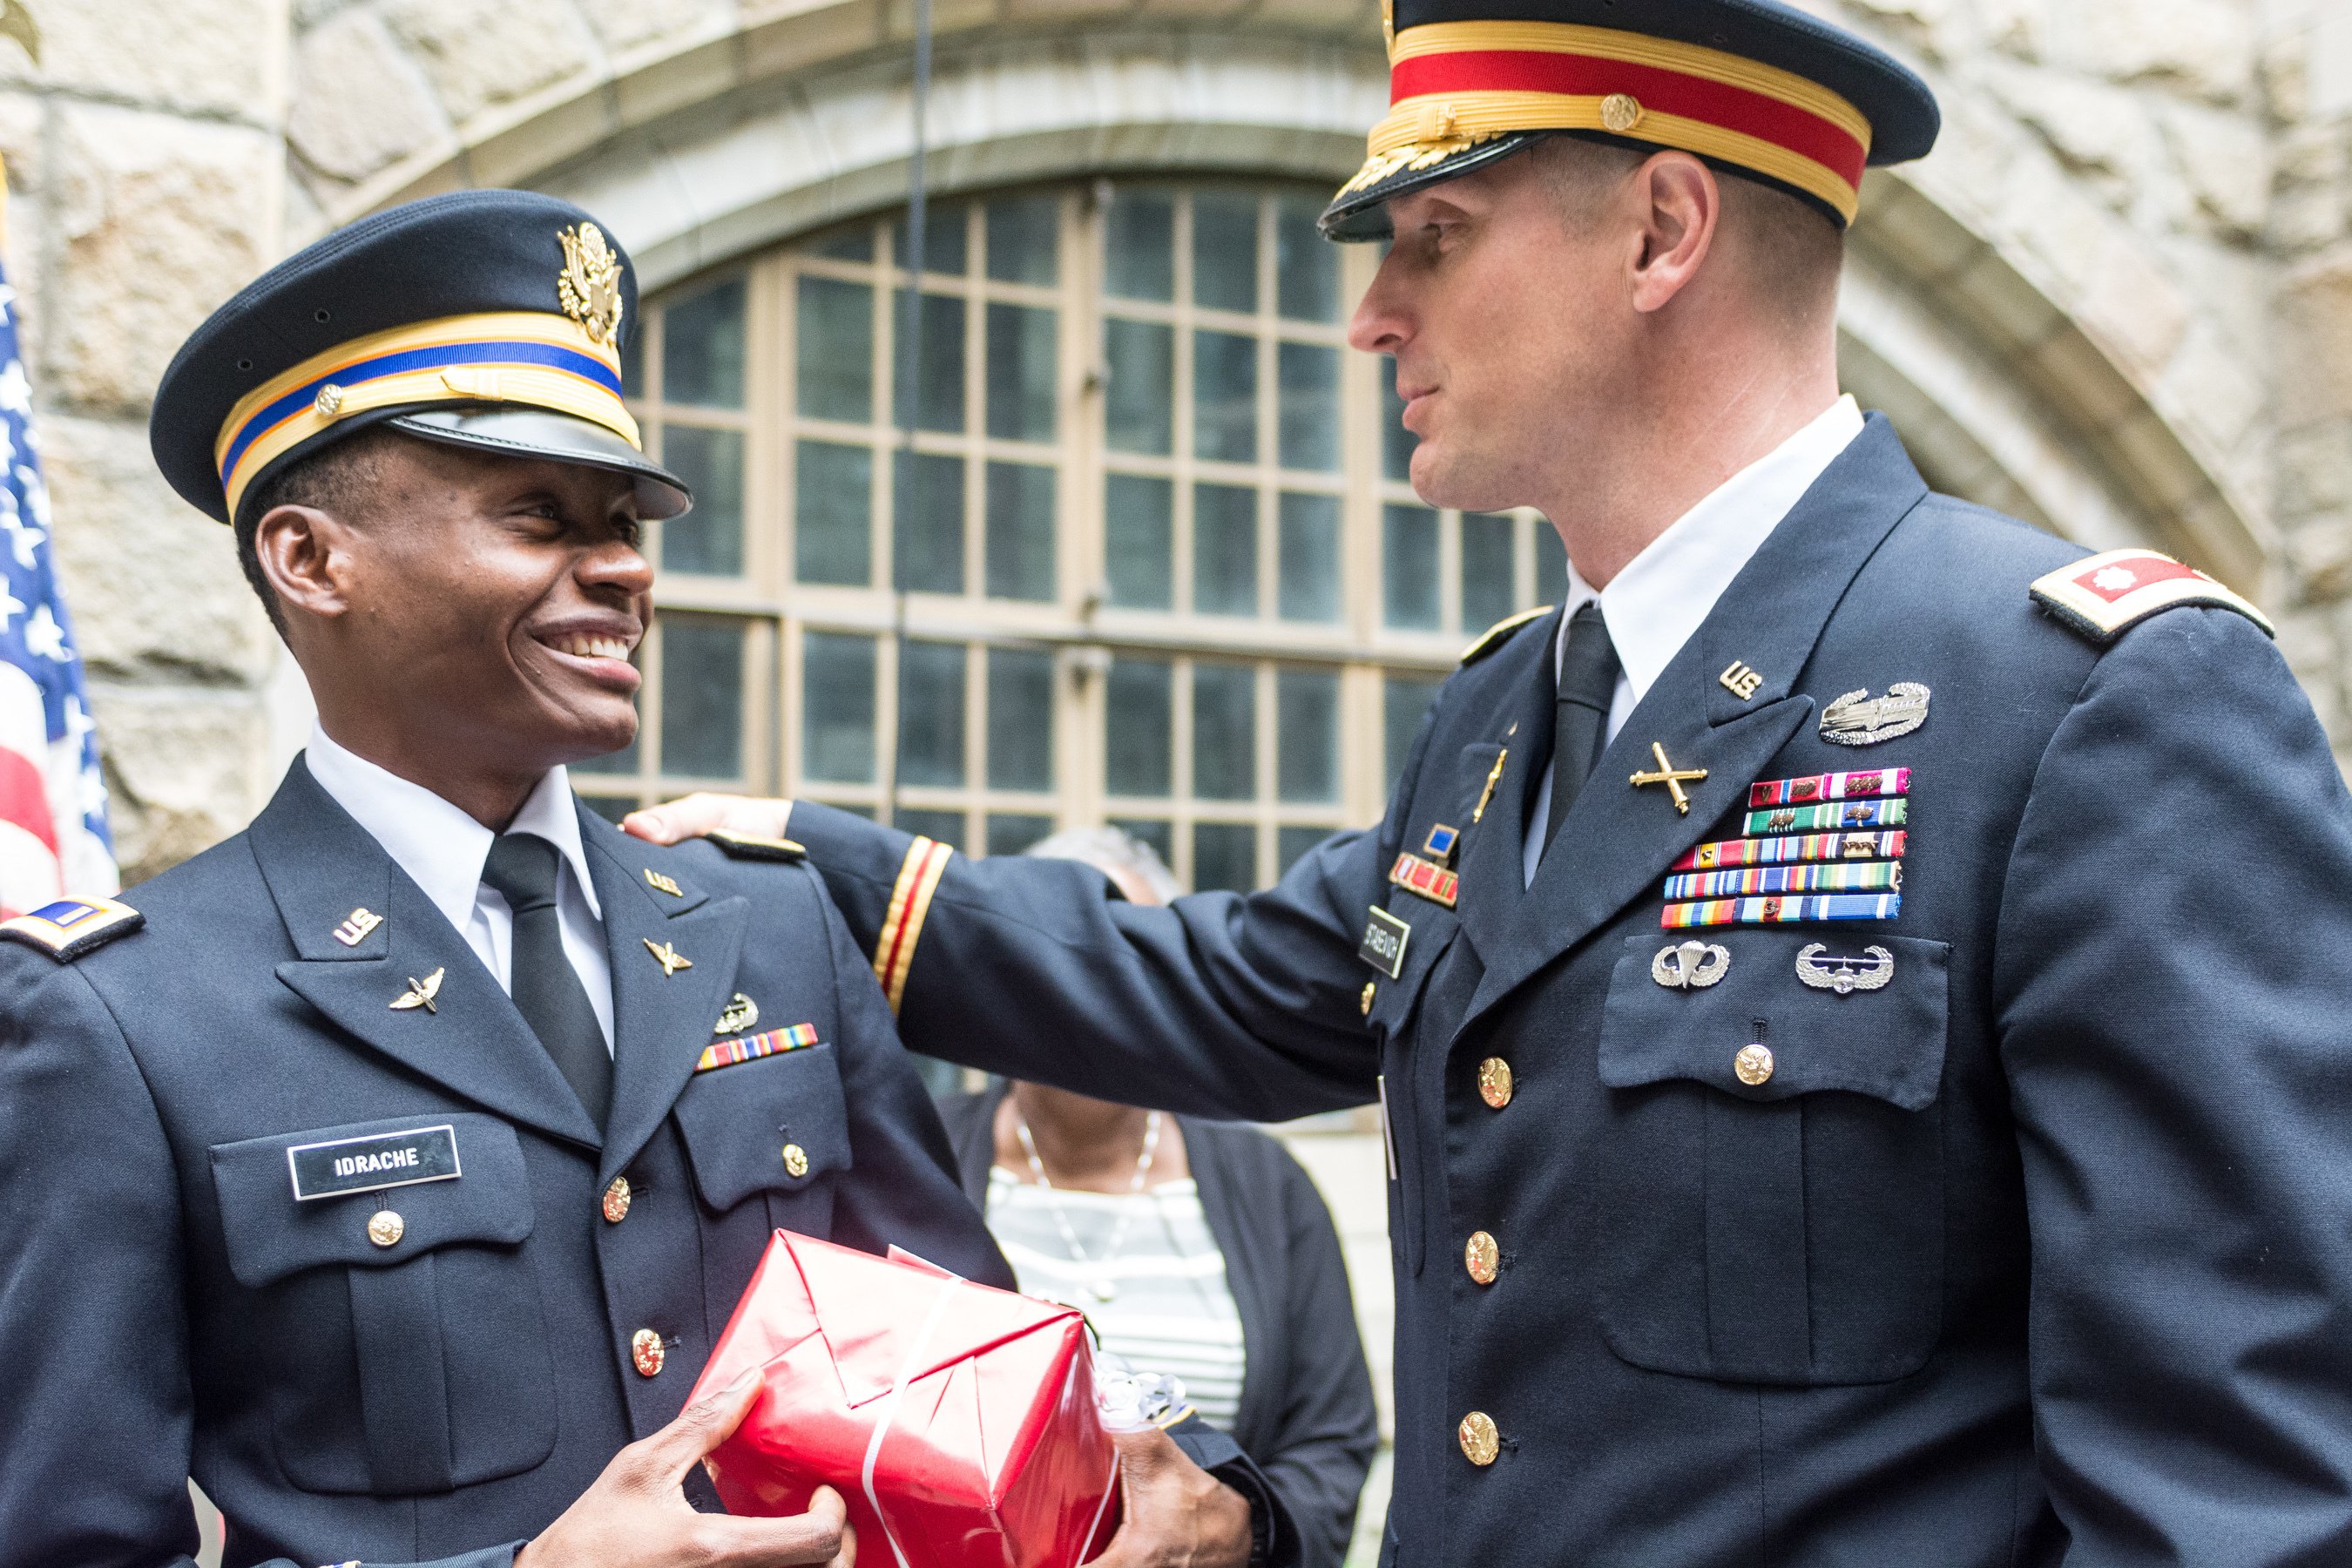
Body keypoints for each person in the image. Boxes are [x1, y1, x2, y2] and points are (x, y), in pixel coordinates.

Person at [631, 0, 2352, 1560]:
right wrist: (828, 871)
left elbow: (2232, 1487)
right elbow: (1231, 988)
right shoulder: (1507, 716)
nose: (1375, 316)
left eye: (1436, 240)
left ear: (1664, 232)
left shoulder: (2079, 699)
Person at [0, 190, 1279, 1568]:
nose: (622, 570)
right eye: (540, 515)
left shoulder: (765, 923)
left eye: (624, 521)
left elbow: (964, 1347)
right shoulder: (125, 1018)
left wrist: (1219, 1502)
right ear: (313, 559)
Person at [939, 829, 1378, 1568]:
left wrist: (1238, 1529)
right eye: (1057, 969)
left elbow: (1329, 1442)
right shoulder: (923, 1159)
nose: (1091, 1005)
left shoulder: (1269, 1188)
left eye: (1129, 971)